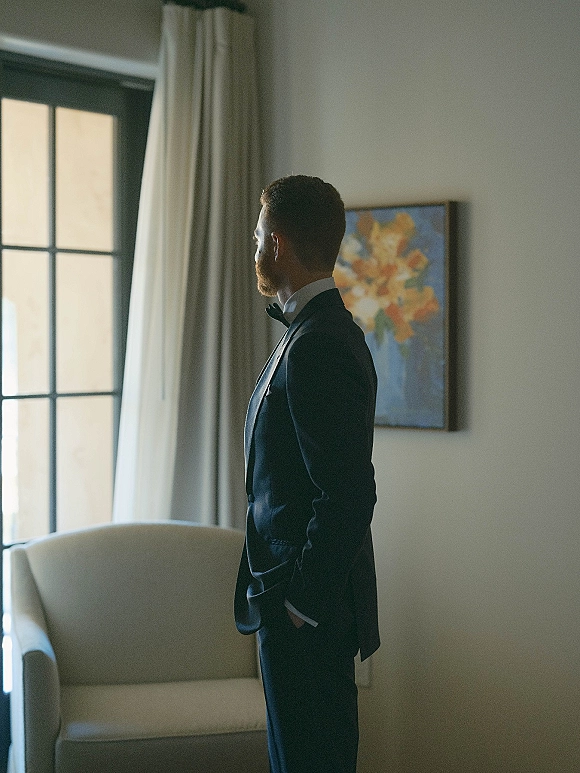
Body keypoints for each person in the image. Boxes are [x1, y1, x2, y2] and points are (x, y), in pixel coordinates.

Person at [234, 175, 380, 773]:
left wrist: (301, 605)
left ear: (280, 244)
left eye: (259, 234)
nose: (255, 247)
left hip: (307, 621)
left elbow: (347, 495)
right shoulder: (307, 331)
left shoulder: (319, 341)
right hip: (296, 614)